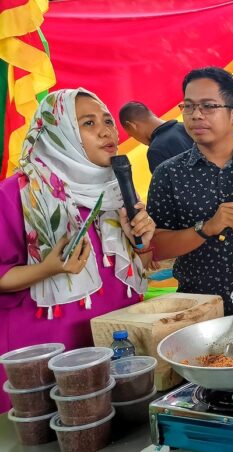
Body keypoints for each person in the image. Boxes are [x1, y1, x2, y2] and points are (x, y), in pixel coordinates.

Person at [0, 88, 155, 412]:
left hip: (113, 348)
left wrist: (141, 241)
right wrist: (47, 269)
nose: (106, 131)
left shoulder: (116, 192)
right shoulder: (17, 194)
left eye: (108, 121)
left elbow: (141, 269)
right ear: (59, 131)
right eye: (88, 123)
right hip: (46, 357)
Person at [147, 67, 233, 315]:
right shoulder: (169, 174)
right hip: (199, 312)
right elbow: (155, 247)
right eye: (188, 106)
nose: (196, 115)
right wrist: (206, 228)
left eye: (208, 106)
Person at [119, 101, 194, 173]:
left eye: (130, 134)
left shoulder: (155, 151)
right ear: (153, 115)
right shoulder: (188, 127)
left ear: (132, 126)